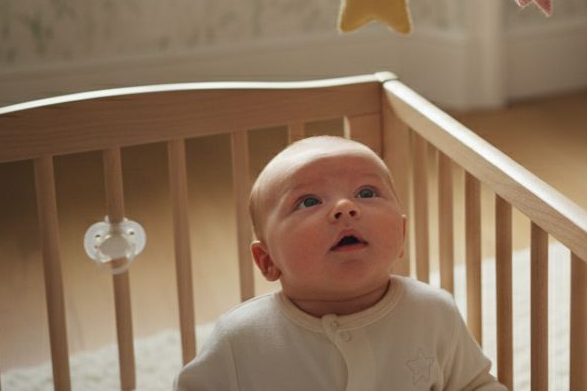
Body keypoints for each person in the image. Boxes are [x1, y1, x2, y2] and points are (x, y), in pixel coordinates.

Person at [175, 135, 505, 391]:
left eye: (366, 193)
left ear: (402, 234)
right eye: (309, 201)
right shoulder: (241, 338)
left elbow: (474, 385)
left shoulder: (433, 312)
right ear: (267, 260)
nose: (345, 207)